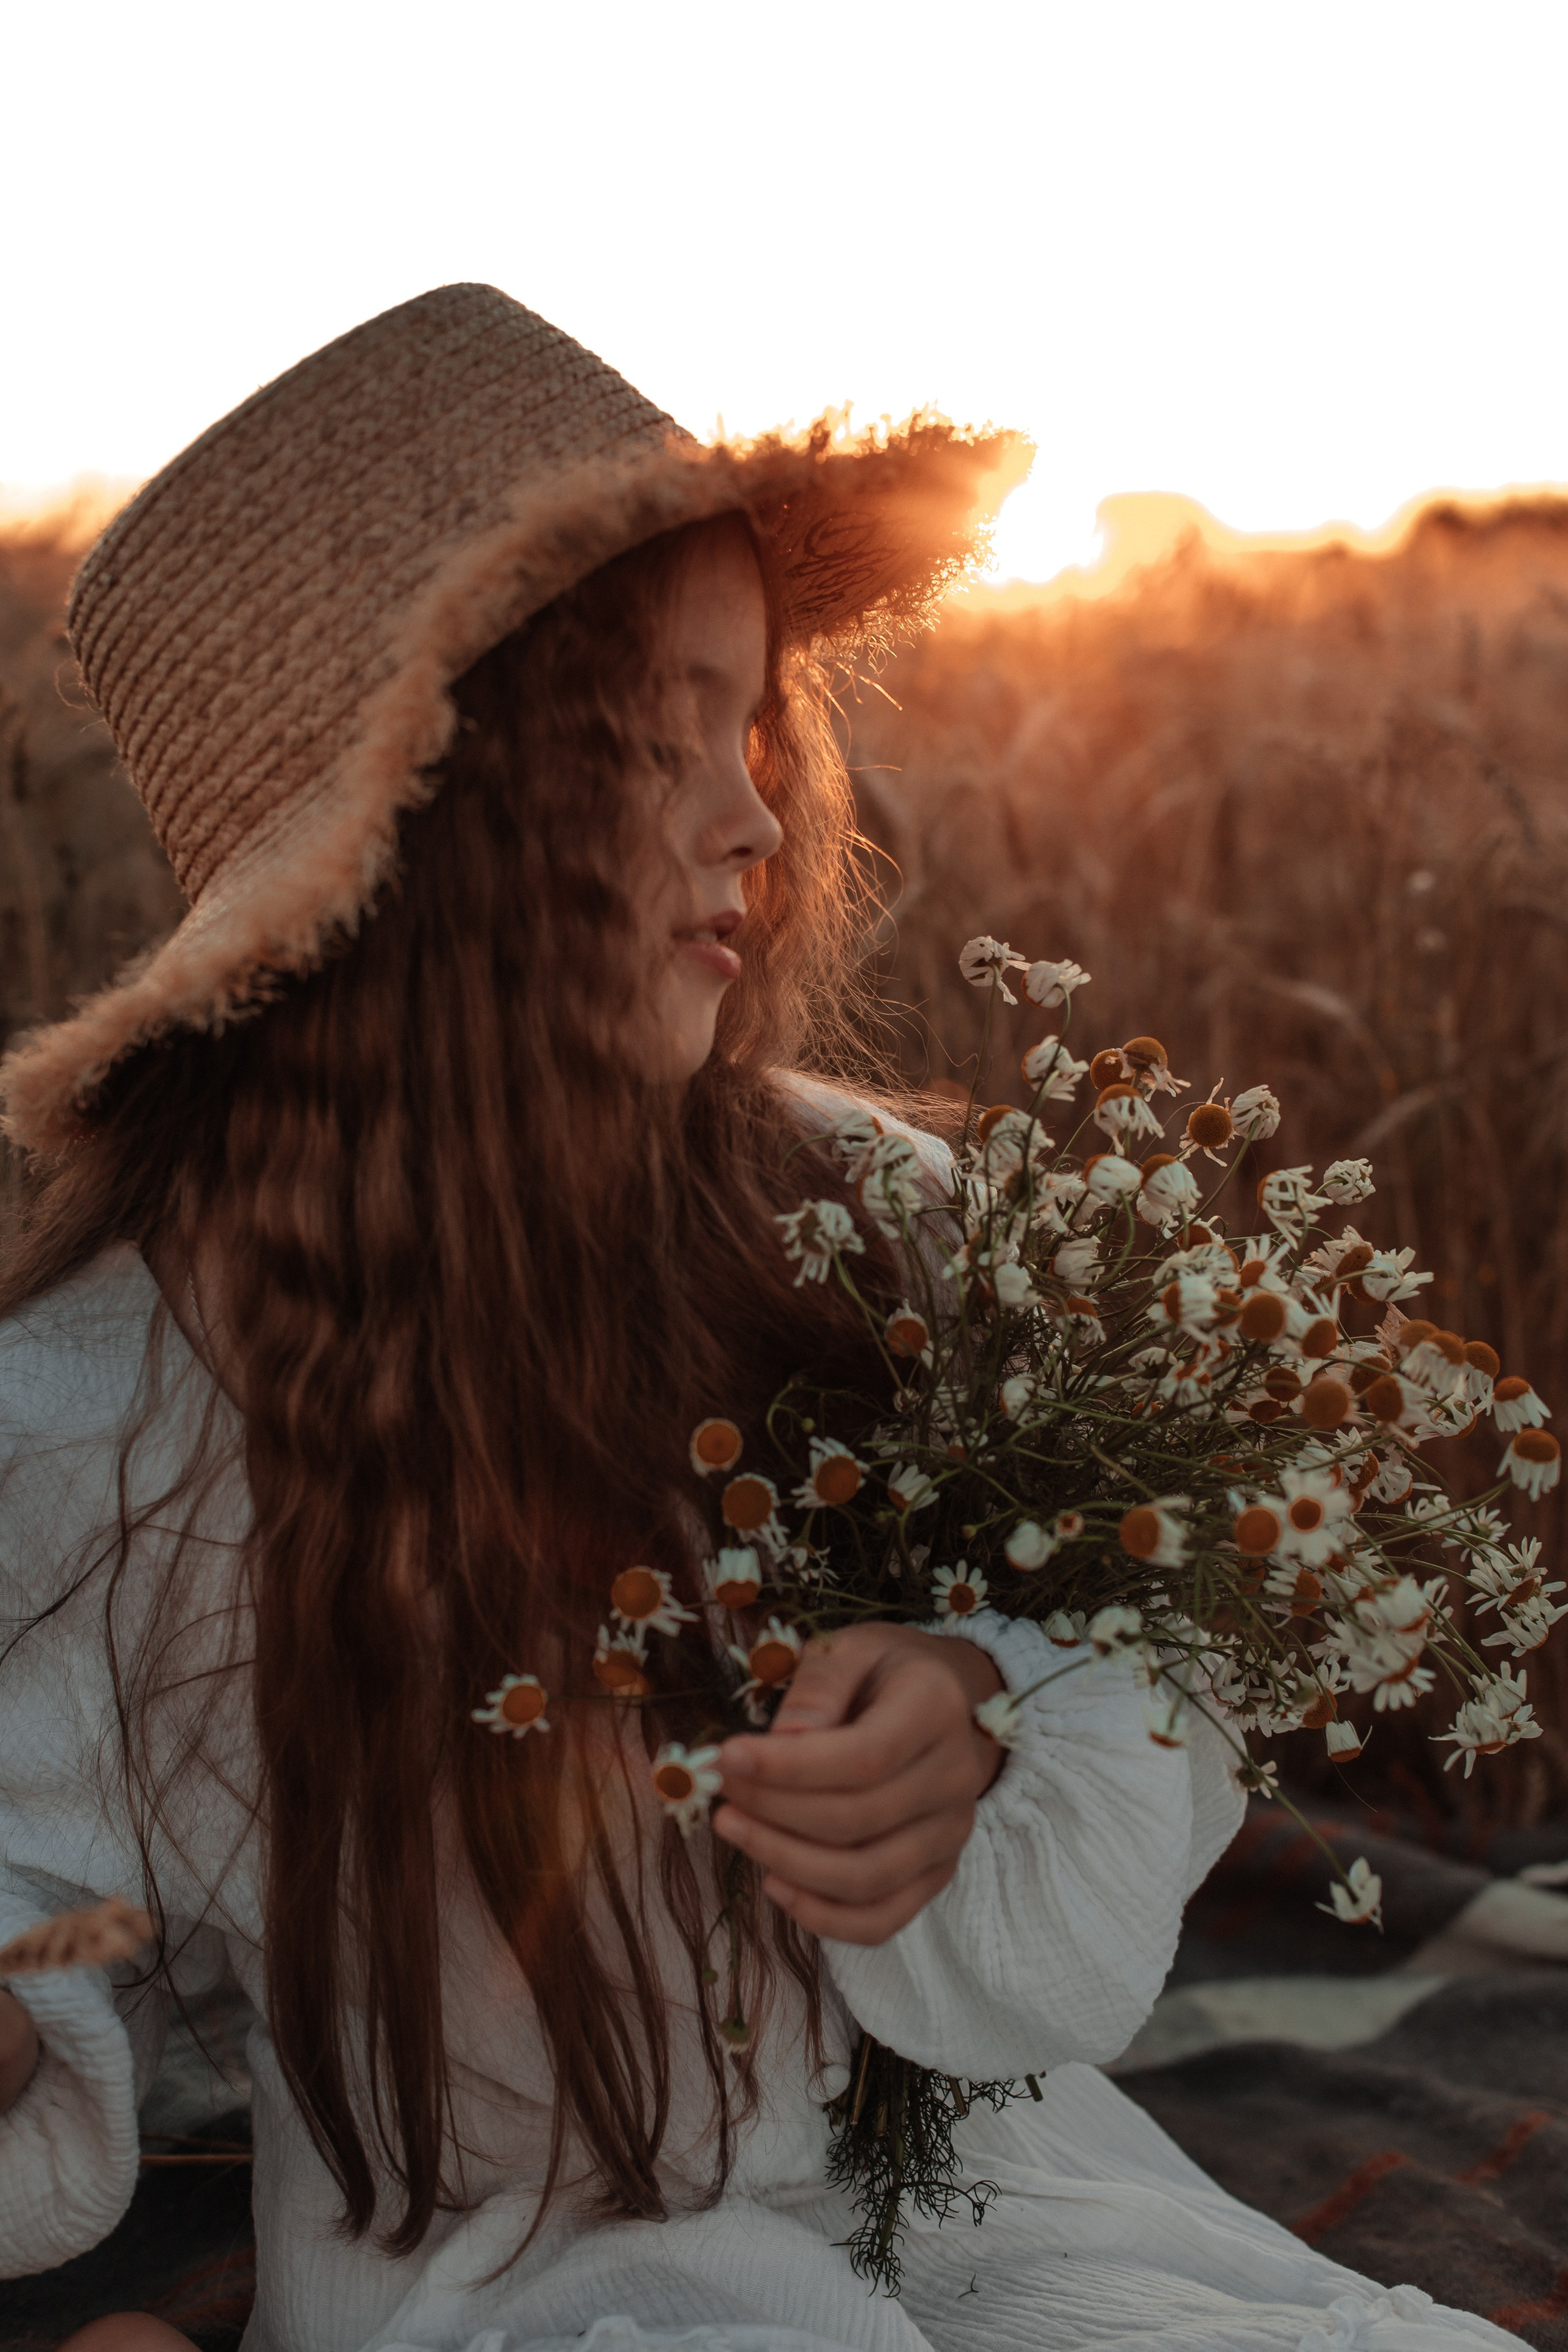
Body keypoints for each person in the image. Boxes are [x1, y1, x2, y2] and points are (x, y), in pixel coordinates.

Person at [0, 287, 1522, 2352]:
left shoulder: (881, 1217)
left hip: (997, 2218)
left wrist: (990, 1711)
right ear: (402, 837)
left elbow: (1151, 1676)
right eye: (653, 738)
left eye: (755, 728)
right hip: (511, 2291)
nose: (755, 813)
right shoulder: (89, 1414)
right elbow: (32, 1934)